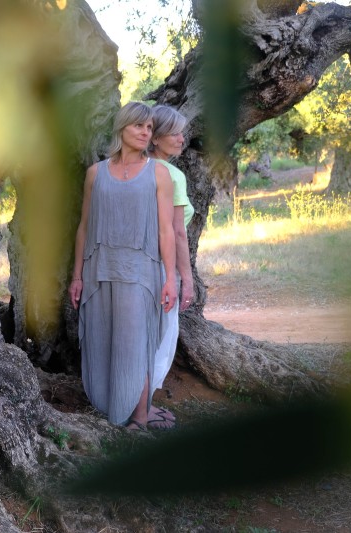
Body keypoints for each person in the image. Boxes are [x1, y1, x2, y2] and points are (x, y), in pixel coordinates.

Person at [68, 101, 177, 431]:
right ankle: (116, 409)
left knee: (135, 344)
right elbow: (85, 226)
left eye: (149, 128)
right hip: (100, 270)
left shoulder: (159, 173)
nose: (146, 132)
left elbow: (165, 230)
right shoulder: (95, 173)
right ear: (122, 129)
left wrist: (170, 278)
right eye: (139, 126)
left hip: (141, 273)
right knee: (103, 340)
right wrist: (76, 275)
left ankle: (139, 421)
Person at [146, 104, 194, 429]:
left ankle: (134, 405)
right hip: (162, 269)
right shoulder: (171, 175)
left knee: (137, 336)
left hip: (135, 264)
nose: (181, 138)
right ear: (157, 137)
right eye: (174, 133)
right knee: (159, 336)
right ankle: (142, 408)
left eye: (182, 131)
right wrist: (185, 279)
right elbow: (177, 232)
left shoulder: (133, 168)